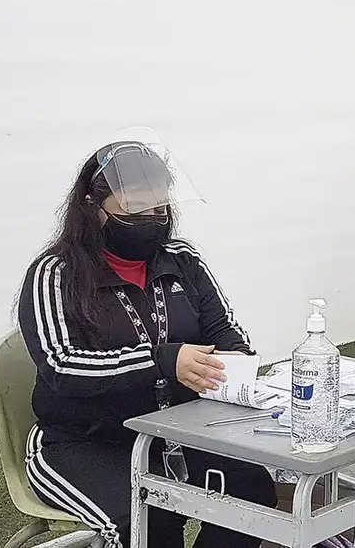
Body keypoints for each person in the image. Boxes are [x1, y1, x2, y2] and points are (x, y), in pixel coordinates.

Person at [17, 130, 276, 548]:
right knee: (144, 518)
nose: (152, 215)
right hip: (83, 441)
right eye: (136, 206)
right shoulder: (56, 274)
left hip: (176, 433)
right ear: (92, 207)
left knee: (252, 491)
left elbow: (225, 334)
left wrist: (236, 364)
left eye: (159, 204)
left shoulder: (183, 263)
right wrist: (161, 361)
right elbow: (62, 366)